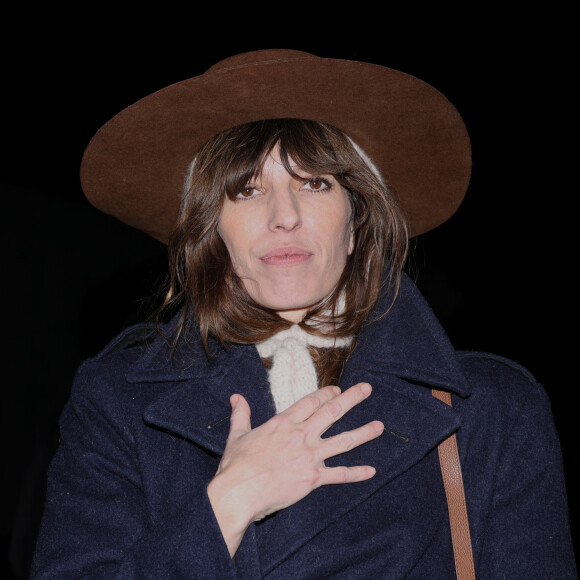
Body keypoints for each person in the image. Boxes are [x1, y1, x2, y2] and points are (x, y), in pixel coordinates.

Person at [31, 49, 577, 579]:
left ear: (357, 217)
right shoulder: (118, 402)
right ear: (210, 229)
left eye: (315, 183)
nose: (283, 216)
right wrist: (228, 502)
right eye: (246, 190)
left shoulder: (494, 409)